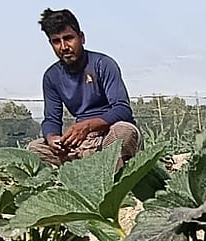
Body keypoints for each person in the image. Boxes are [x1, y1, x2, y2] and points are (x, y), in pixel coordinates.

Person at [26, 8, 140, 169]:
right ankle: (75, 173)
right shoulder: (51, 77)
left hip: (108, 134)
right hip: (80, 144)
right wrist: (53, 139)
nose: (64, 46)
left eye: (68, 38)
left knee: (123, 131)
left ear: (81, 37)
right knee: (34, 149)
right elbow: (51, 119)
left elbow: (122, 110)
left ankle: (114, 176)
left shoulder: (103, 64)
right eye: (56, 41)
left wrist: (87, 127)